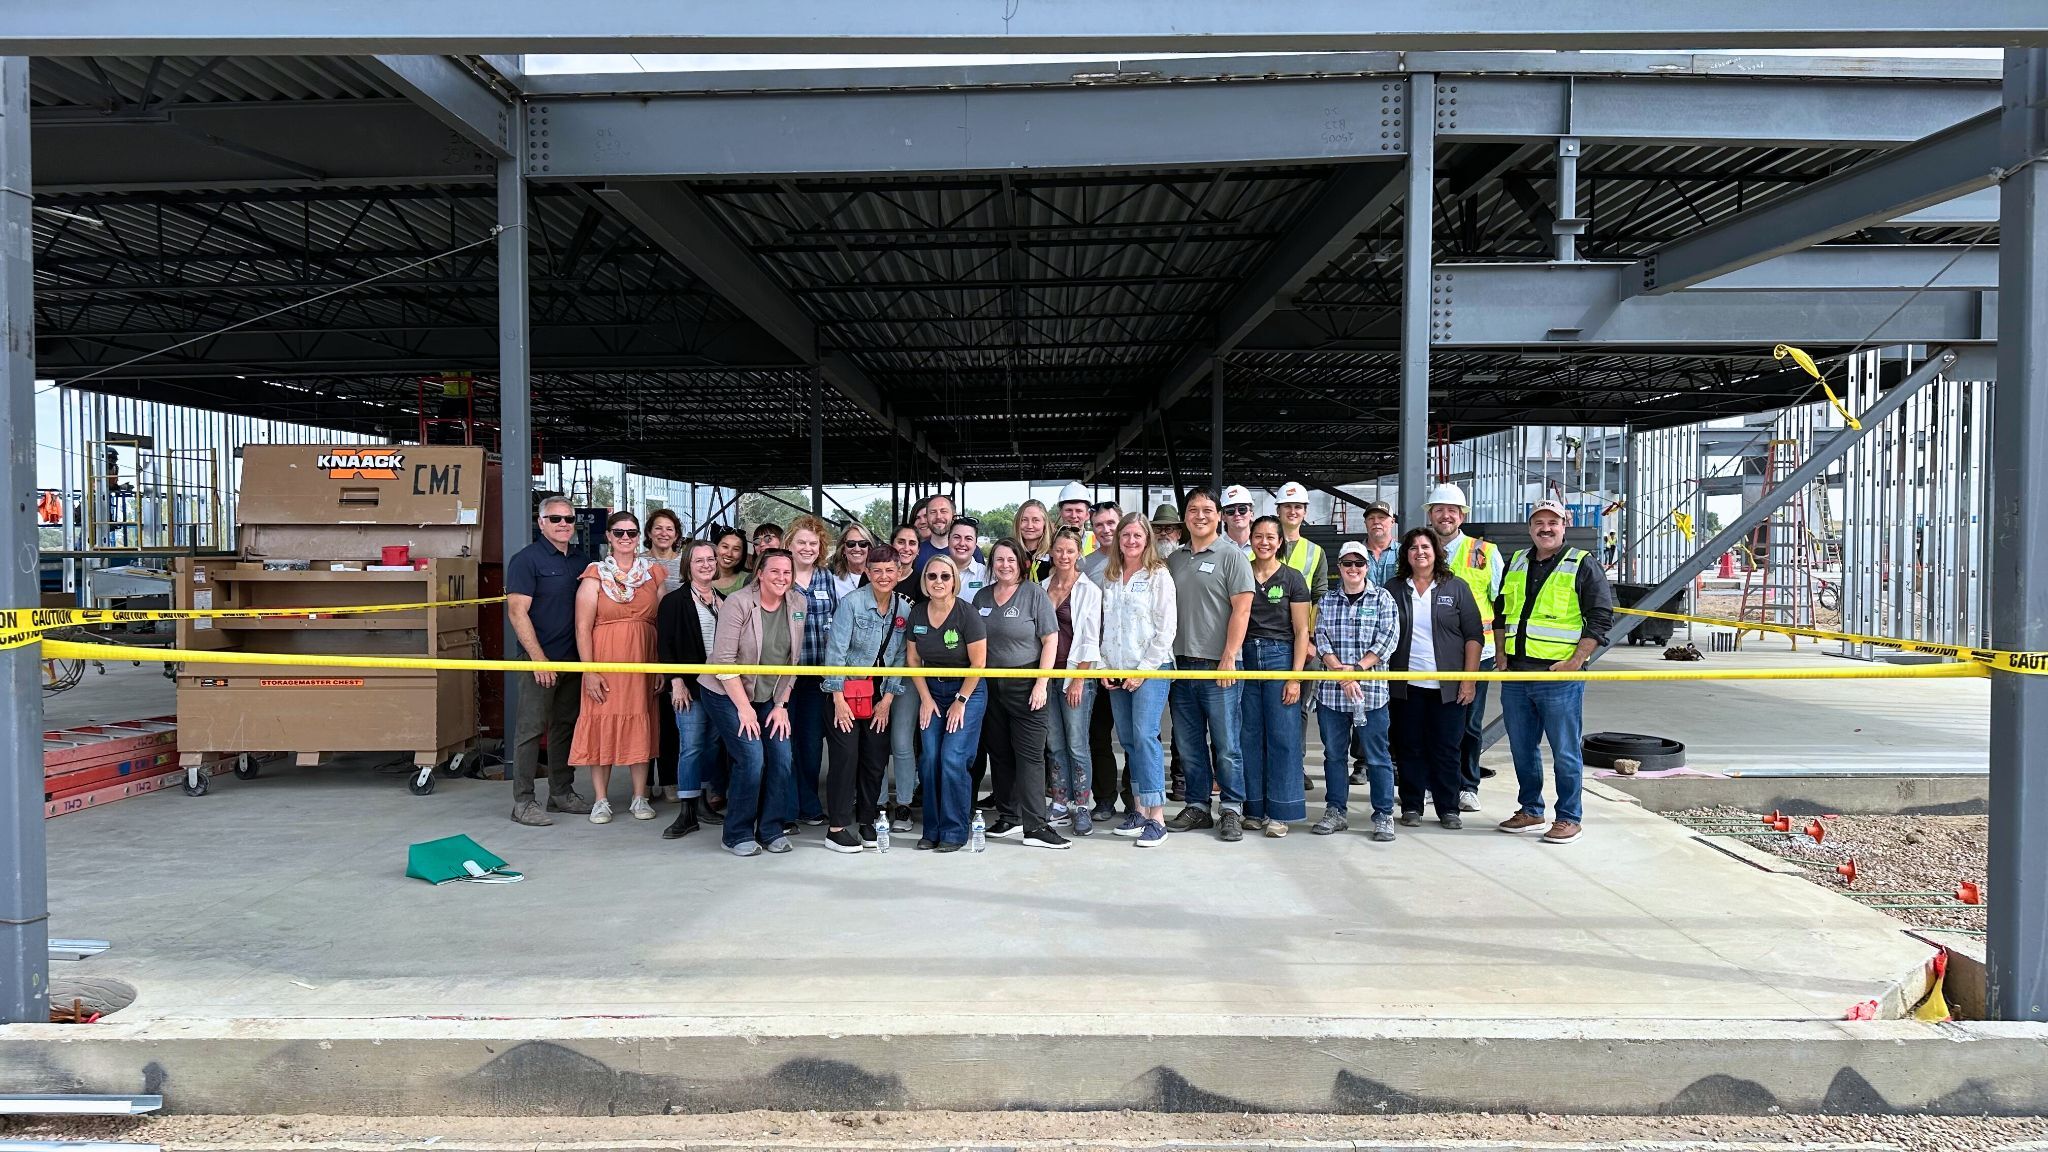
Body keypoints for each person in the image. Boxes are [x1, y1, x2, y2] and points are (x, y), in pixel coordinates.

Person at [1495, 498, 1615, 846]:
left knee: (1564, 750)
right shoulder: (1517, 561)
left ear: (1565, 524)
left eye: (1553, 522)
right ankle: (1531, 809)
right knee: (1522, 747)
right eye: (1539, 522)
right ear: (1530, 527)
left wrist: (1577, 661)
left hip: (1558, 675)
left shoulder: (1582, 564)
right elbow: (1502, 612)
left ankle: (1569, 818)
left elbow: (1601, 618)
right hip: (1517, 674)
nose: (1545, 528)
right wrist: (1501, 653)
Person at [1164, 488, 1255, 842]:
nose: (1199, 515)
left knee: (1227, 743)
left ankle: (1231, 808)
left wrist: (1230, 655)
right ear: (1185, 518)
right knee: (1188, 744)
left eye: (1206, 509)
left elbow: (1242, 608)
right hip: (1182, 667)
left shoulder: (1232, 557)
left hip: (1219, 666)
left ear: (1219, 515)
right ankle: (1199, 806)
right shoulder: (1175, 559)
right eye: (1192, 510)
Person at [702, 548, 803, 857]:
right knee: (751, 759)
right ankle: (736, 833)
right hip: (727, 693)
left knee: (782, 758)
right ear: (760, 573)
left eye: (787, 572)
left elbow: (793, 661)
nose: (782, 578)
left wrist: (780, 706)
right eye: (775, 571)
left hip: (770, 696)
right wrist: (744, 709)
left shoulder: (798, 603)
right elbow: (723, 662)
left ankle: (771, 828)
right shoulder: (739, 603)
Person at [969, 539, 1067, 849]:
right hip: (990, 686)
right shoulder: (982, 597)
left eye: (1010, 559)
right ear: (991, 564)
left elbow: (1051, 641)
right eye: (998, 560)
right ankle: (1009, 816)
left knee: (1030, 758)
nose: (1005, 565)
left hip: (1026, 685)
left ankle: (1035, 825)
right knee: (1000, 754)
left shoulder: (1034, 595)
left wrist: (1041, 683)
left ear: (1021, 563)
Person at [569, 511, 664, 824]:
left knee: (641, 723)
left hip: (643, 661)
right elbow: (583, 627)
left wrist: (661, 666)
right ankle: (601, 799)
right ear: (608, 536)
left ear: (640, 537)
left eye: (632, 533)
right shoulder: (595, 574)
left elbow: (662, 623)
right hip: (606, 662)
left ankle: (639, 796)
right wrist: (589, 670)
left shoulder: (654, 574)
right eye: (619, 532)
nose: (626, 538)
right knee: (601, 724)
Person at [506, 494, 594, 826]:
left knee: (564, 728)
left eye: (568, 519)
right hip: (540, 662)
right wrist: (538, 659)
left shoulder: (580, 561)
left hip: (573, 662)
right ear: (541, 522)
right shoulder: (526, 560)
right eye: (555, 519)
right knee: (530, 730)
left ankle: (561, 793)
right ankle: (523, 802)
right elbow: (517, 612)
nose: (562, 525)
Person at [1386, 527, 1482, 830]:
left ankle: (1448, 807)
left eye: (1425, 546)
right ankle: (1412, 805)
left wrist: (1468, 680)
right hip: (1406, 685)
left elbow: (1474, 637)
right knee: (1409, 747)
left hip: (1448, 687)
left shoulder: (1456, 588)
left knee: (1447, 748)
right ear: (1406, 555)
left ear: (1436, 551)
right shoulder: (1394, 588)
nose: (1420, 552)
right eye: (1413, 548)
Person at [821, 547, 910, 854]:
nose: (884, 577)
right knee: (845, 759)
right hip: (844, 691)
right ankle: (836, 828)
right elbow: (836, 652)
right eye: (877, 571)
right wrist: (837, 698)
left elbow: (900, 657)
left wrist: (887, 700)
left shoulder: (904, 609)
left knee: (874, 760)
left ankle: (867, 821)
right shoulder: (851, 604)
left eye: (890, 570)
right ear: (867, 574)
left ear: (898, 573)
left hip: (879, 693)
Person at [1311, 540, 1401, 841]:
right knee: (1334, 755)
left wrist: (1358, 671)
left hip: (1372, 693)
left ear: (1367, 567)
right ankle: (1336, 811)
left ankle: (1383, 814)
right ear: (1339, 568)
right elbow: (1321, 640)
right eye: (1347, 564)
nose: (1353, 569)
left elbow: (1388, 640)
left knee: (1377, 756)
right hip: (1333, 694)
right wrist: (1343, 675)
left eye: (1358, 564)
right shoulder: (1326, 602)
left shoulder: (1383, 599)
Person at [1425, 483, 1505, 814]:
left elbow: (1502, 602)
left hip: (1479, 654)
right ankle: (1436, 783)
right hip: (1430, 652)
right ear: (1430, 514)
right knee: (1434, 721)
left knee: (1470, 723)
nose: (1446, 516)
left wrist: (1502, 649)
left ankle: (1467, 785)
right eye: (1439, 509)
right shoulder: (1419, 548)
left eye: (1452, 511)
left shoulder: (1485, 552)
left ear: (1462, 516)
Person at [1099, 512, 1177, 847]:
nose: (1131, 541)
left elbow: (1166, 628)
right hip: (1117, 669)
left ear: (1147, 540)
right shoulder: (1111, 575)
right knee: (1129, 740)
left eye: (1137, 536)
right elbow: (1104, 627)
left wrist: (1142, 670)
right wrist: (1104, 667)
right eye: (1125, 535)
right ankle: (1141, 809)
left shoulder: (1158, 575)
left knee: (1145, 736)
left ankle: (1157, 817)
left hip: (1151, 669)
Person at [906, 554, 988, 852]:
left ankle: (955, 831)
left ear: (955, 580)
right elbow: (913, 660)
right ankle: (932, 829)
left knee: (953, 759)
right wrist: (926, 699)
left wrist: (961, 700)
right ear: (925, 582)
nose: (938, 582)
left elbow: (978, 663)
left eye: (945, 576)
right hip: (932, 692)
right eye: (932, 576)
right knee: (929, 760)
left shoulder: (967, 614)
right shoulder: (917, 613)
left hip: (967, 692)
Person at [1239, 515, 1312, 837]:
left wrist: (1295, 678)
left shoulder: (1293, 578)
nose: (1264, 542)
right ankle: (1253, 809)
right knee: (1249, 737)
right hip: (1246, 658)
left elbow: (1302, 631)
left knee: (1283, 738)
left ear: (1280, 542)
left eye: (1271, 537)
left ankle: (1280, 813)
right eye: (1258, 536)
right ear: (1250, 540)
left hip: (1280, 657)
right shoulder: (1242, 573)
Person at [655, 539, 726, 839]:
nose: (707, 564)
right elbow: (665, 644)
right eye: (699, 560)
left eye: (711, 559)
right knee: (691, 746)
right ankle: (687, 811)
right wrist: (676, 682)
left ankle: (704, 802)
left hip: (720, 687)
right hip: (690, 687)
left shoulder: (723, 599)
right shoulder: (674, 601)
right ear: (688, 565)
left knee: (711, 747)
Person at [1042, 527, 1102, 836]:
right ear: (1051, 552)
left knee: (1077, 744)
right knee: (1054, 744)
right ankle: (1060, 802)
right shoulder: (1041, 587)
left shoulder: (1089, 590)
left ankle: (1082, 805)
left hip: (1074, 676)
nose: (1064, 556)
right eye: (1059, 550)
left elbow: (1091, 638)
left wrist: (1079, 679)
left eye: (1070, 551)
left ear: (1078, 553)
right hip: (1047, 676)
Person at [785, 514, 839, 830]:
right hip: (785, 675)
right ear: (789, 544)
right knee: (784, 743)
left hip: (817, 674)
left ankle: (808, 804)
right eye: (801, 542)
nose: (807, 548)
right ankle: (787, 807)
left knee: (810, 744)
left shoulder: (826, 578)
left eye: (813, 543)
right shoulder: (778, 574)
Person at [1081, 500, 1128, 822]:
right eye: (1099, 525)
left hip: (1129, 663)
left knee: (1135, 737)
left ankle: (1136, 800)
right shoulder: (1085, 565)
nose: (1106, 529)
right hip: (1095, 664)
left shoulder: (1140, 561)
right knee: (1098, 736)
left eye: (1112, 523)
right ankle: (1105, 799)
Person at [826, 521, 874, 599]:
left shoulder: (880, 577)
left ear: (869, 548)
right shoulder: (833, 583)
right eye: (851, 544)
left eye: (863, 544)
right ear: (843, 549)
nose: (857, 549)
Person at [947, 516, 990, 598]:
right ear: (948, 541)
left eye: (968, 538)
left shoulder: (987, 575)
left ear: (975, 544)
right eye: (957, 537)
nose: (962, 543)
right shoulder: (935, 572)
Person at [1361, 501, 1400, 590]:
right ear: (1365, 523)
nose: (1376, 522)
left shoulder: (1404, 553)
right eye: (1371, 518)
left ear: (1392, 522)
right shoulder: (1354, 554)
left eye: (1381, 517)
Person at [645, 509, 686, 593]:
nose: (664, 533)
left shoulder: (686, 563)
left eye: (669, 529)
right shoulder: (637, 562)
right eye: (658, 528)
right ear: (649, 533)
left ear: (676, 536)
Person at [1079, 502, 1119, 585]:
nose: (1106, 530)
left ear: (1121, 524)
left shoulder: (1138, 560)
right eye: (1099, 525)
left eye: (1110, 523)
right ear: (1092, 529)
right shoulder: (1082, 566)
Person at [1014, 499, 1054, 581]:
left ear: (1044, 523)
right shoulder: (1010, 553)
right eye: (1024, 520)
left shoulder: (1054, 554)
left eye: (1035, 520)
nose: (1029, 526)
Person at [916, 494, 958, 570]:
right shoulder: (915, 552)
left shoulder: (968, 550)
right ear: (927, 517)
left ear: (954, 517)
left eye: (943, 511)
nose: (938, 516)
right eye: (933, 512)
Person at [1055, 481, 1095, 554]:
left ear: (1087, 514)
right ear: (1060, 513)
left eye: (1079, 511)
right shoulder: (1051, 541)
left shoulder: (1097, 542)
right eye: (1068, 510)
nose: (1073, 516)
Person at [711, 525, 751, 596]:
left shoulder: (750, 580)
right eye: (725, 547)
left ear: (742, 554)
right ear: (715, 547)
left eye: (736, 549)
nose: (729, 554)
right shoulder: (700, 577)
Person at [1220, 484, 1256, 554]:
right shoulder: (1216, 548)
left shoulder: (1262, 547)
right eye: (1230, 510)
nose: (1237, 514)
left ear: (1251, 514)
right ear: (1223, 516)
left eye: (1242, 509)